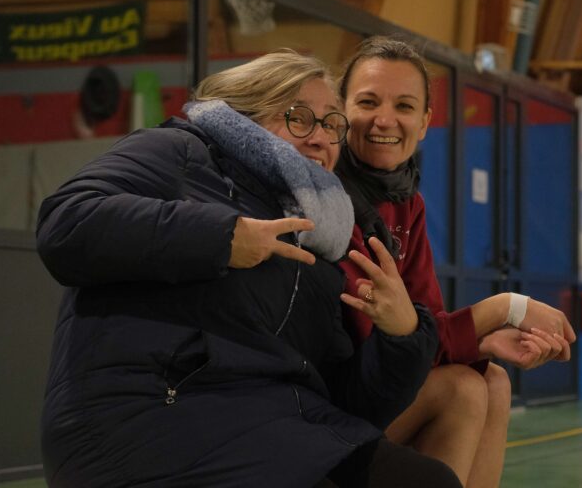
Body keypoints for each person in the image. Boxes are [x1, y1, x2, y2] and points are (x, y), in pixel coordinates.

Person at [36, 50, 463, 488]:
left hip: (274, 425)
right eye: (299, 118)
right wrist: (222, 237)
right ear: (248, 114)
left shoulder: (319, 236)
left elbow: (350, 404)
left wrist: (401, 337)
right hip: (150, 416)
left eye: (333, 125)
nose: (320, 138)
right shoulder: (181, 150)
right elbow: (66, 224)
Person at [335, 37, 577, 488]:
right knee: (462, 388)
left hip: (374, 392)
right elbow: (385, 341)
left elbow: (424, 326)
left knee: (495, 381)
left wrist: (481, 345)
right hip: (331, 407)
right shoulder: (332, 200)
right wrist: (507, 308)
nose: (384, 119)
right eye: (367, 102)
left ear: (425, 122)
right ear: (340, 109)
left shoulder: (407, 201)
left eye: (404, 106)